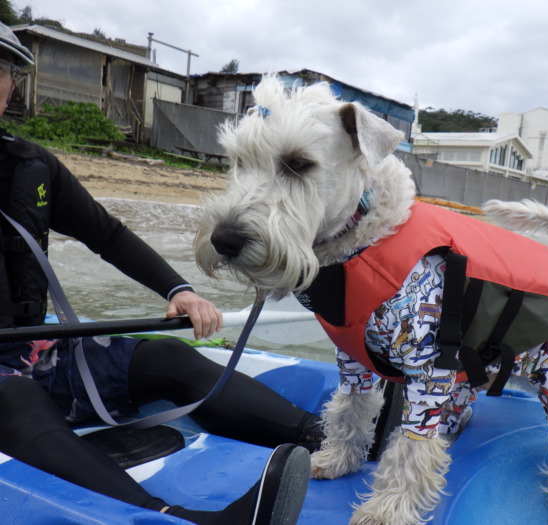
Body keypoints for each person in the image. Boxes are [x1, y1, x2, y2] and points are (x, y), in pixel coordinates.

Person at [0, 23, 319, 525]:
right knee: (11, 395)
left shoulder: (29, 166)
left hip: (36, 351)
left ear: (12, 83)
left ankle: (322, 437)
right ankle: (173, 517)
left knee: (166, 353)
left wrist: (179, 290)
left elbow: (105, 235)